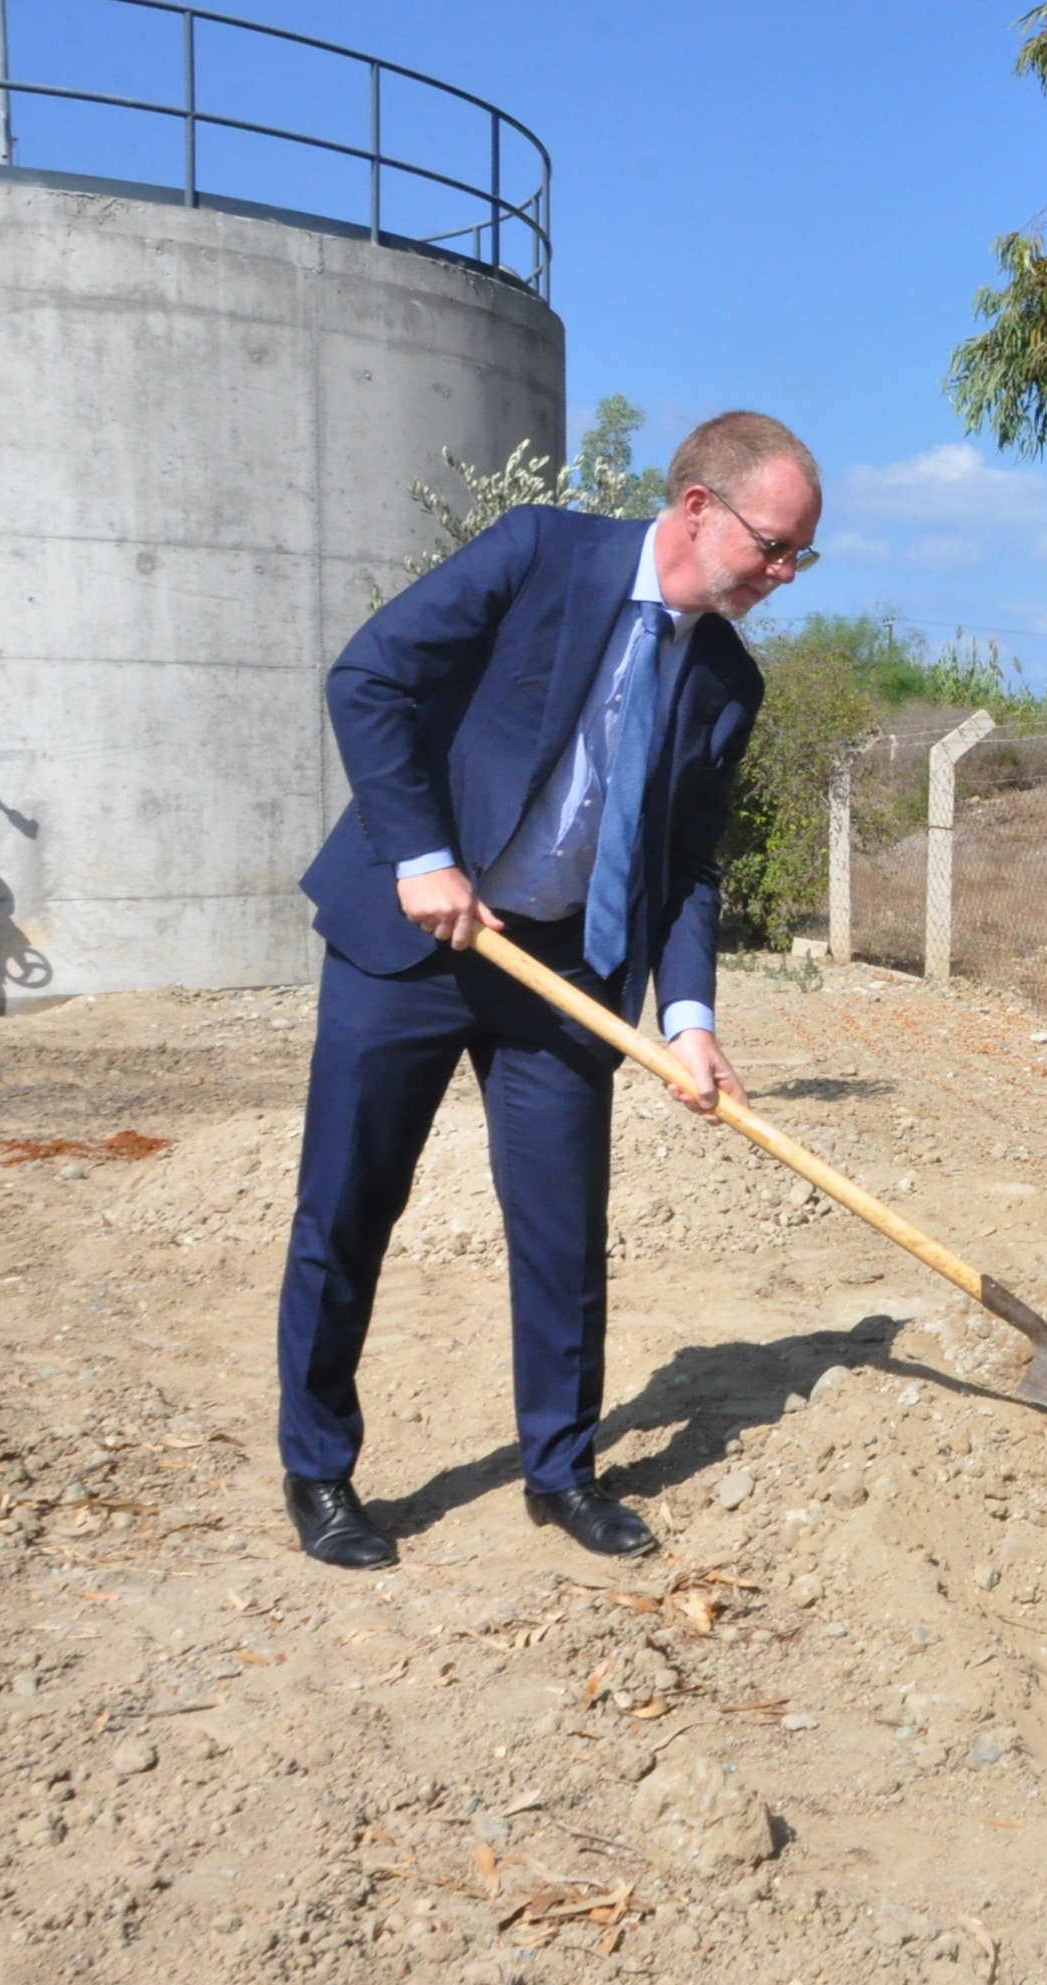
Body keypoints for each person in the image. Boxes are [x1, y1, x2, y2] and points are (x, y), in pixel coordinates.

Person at [273, 412, 823, 1569]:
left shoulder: (728, 680)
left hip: (563, 966)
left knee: (564, 1227)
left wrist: (690, 1017)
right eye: (772, 546)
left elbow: (689, 865)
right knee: (349, 1206)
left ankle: (562, 1471)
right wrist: (420, 854)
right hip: (411, 939)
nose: (782, 575)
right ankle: (318, 1469)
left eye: (798, 556)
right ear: (696, 508)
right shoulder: (538, 553)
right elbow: (367, 677)